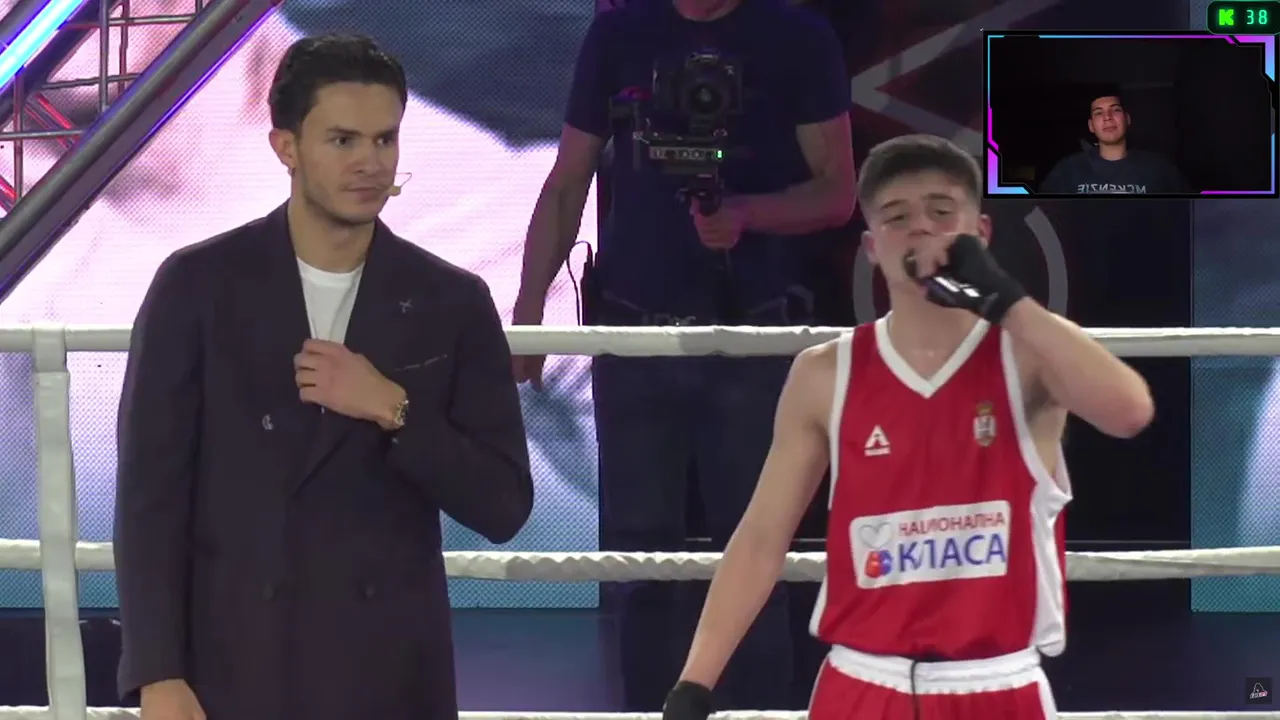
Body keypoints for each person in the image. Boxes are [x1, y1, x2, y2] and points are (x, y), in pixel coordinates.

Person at [662, 134, 1156, 719]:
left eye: (941, 212)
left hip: (997, 684)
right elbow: (762, 538)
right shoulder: (826, 373)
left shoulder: (1029, 356)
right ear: (873, 247)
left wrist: (1006, 299)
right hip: (861, 684)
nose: (920, 227)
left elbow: (1130, 412)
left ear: (981, 232)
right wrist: (694, 683)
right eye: (897, 217)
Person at [113, 34, 534, 720]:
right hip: (236, 668)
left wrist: (394, 410)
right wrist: (158, 673)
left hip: (387, 675)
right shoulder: (197, 286)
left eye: (384, 139)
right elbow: (150, 500)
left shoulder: (451, 300)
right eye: (343, 141)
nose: (370, 163)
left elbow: (504, 505)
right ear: (286, 147)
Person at [512, 0, 854, 710]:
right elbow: (568, 180)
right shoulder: (619, 32)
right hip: (633, 335)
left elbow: (838, 193)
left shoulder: (797, 35)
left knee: (756, 554)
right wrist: (529, 310)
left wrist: (747, 215)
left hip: (754, 337)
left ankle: (759, 713)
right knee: (640, 563)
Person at [1039, 91, 1187, 195]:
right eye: (1098, 113)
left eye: (1115, 110)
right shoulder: (1068, 169)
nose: (1107, 117)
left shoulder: (1159, 169)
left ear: (1127, 119)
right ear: (1091, 126)